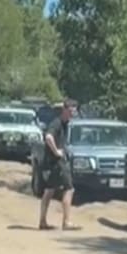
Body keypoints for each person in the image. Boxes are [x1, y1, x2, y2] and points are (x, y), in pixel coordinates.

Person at [38, 98, 79, 231]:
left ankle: (42, 221)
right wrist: (57, 152)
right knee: (69, 188)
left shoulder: (65, 124)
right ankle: (66, 222)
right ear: (65, 110)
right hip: (57, 163)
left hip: (52, 162)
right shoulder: (57, 123)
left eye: (75, 110)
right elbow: (48, 137)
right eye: (71, 110)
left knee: (49, 190)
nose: (73, 113)